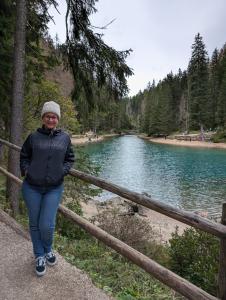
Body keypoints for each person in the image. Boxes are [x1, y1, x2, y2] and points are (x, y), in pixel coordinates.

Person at [20, 101, 75, 277]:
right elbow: (24, 155)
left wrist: (63, 171)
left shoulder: (65, 138)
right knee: (35, 223)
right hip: (32, 187)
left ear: (57, 119)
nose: (51, 119)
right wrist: (26, 170)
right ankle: (40, 255)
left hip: (54, 188)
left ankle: (48, 249)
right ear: (43, 118)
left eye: (54, 116)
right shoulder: (33, 137)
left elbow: (70, 158)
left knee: (47, 225)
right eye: (48, 116)